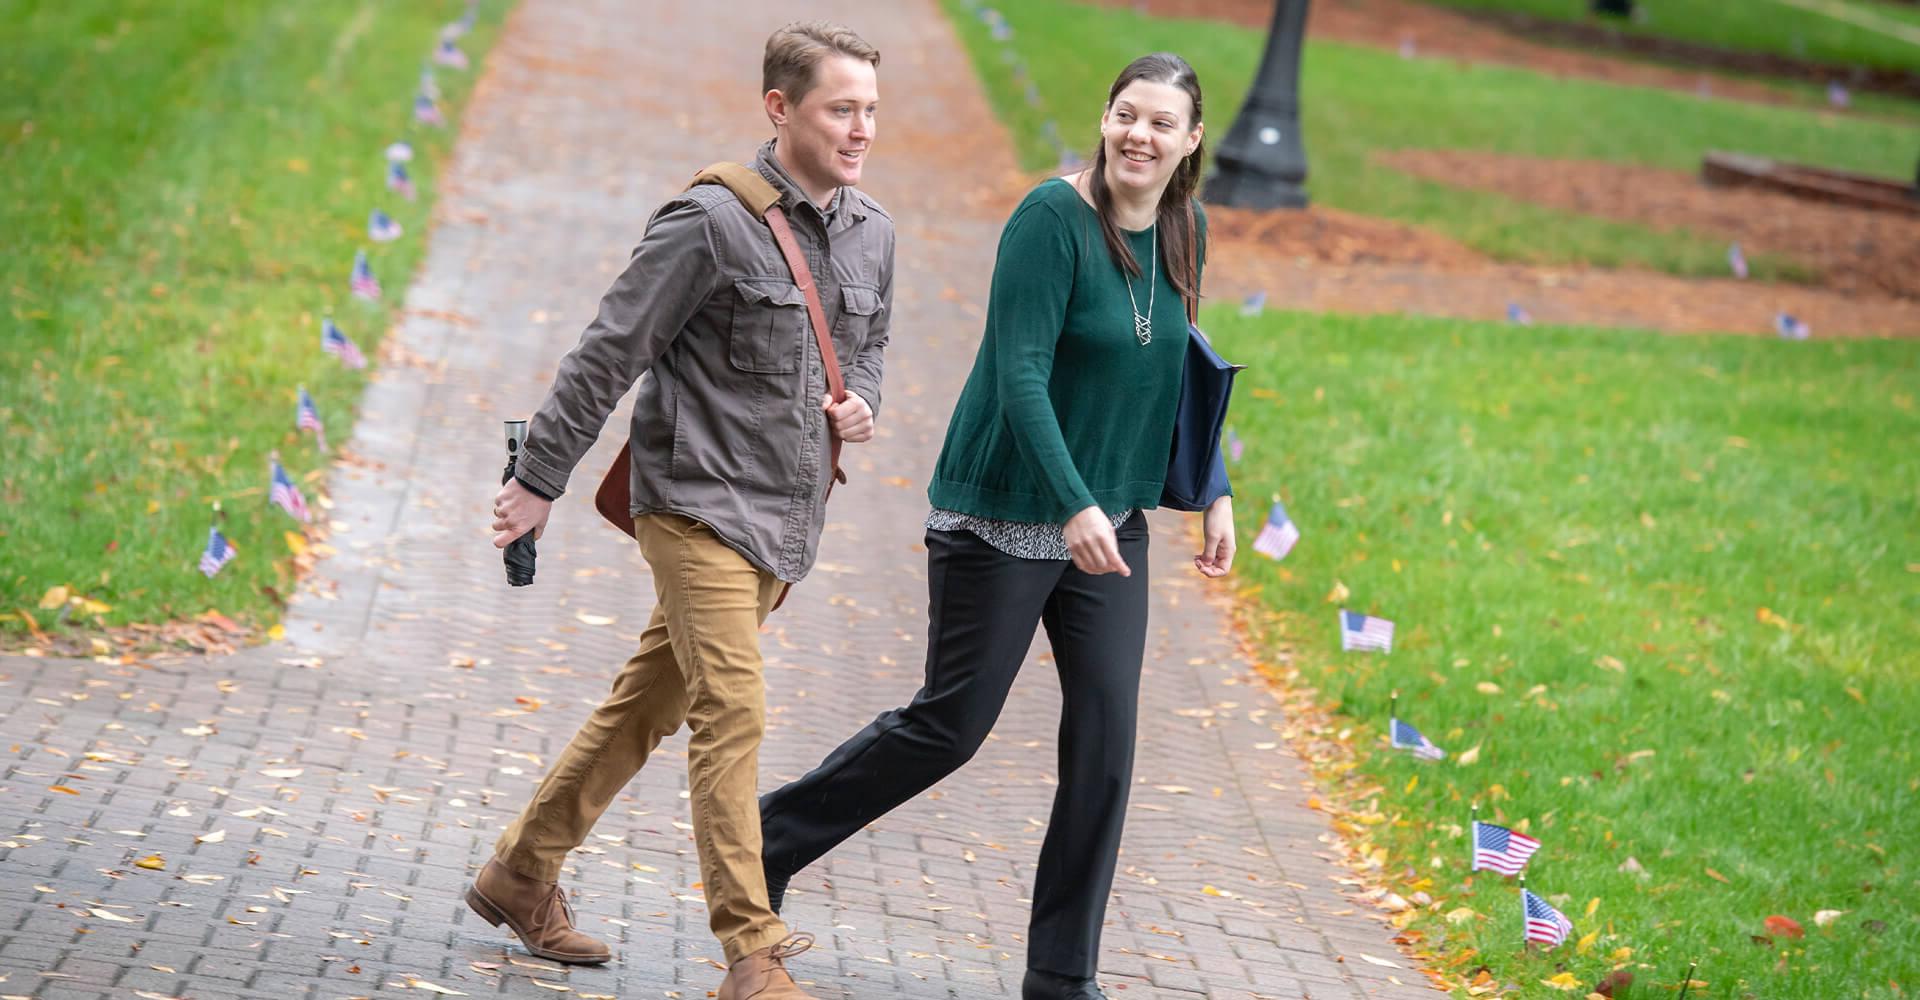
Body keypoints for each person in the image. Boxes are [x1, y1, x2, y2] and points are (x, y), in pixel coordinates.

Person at [757, 53, 1233, 1000]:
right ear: (1105, 118)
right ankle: (764, 843)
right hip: (1005, 515)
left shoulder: (1184, 225)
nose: (1140, 136)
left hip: (1112, 523)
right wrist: (1072, 503)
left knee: (1105, 743)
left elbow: (1176, 365)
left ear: (1190, 142)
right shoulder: (1049, 222)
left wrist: (1211, 484)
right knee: (951, 726)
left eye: (1161, 124)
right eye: (1126, 115)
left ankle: (1062, 975)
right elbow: (1019, 374)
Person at [470, 21, 893, 1000]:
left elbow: (869, 347)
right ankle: (750, 953)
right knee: (730, 711)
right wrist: (539, 479)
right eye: (841, 108)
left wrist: (863, 399)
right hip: (695, 499)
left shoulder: (876, 229)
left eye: (870, 108)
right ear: (780, 108)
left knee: (647, 704)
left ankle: (522, 872)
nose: (861, 127)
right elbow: (607, 352)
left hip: (787, 521)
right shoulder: (709, 222)